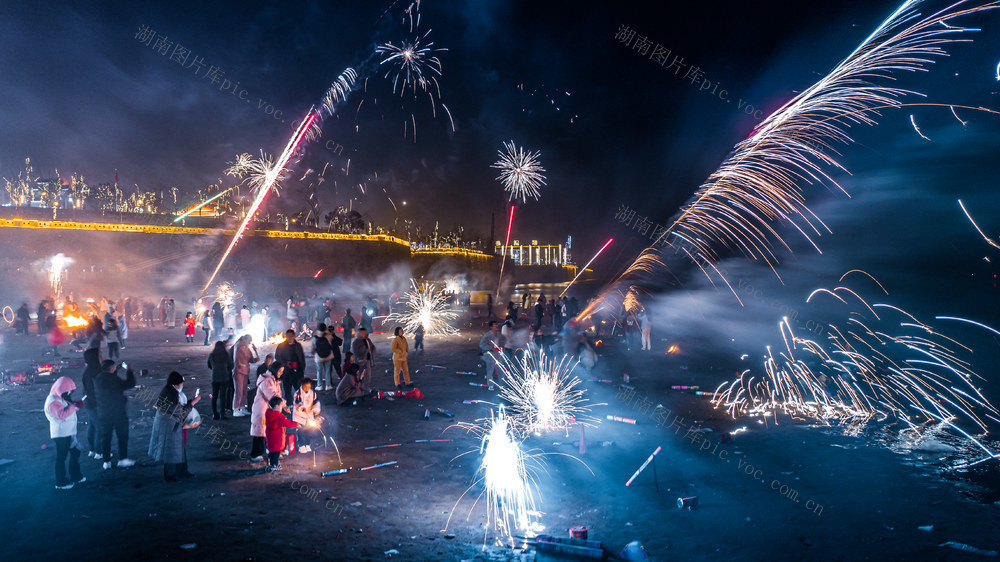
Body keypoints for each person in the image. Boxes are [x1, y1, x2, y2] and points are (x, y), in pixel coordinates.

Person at [148, 371, 200, 481]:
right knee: (171, 450)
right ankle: (170, 475)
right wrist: (193, 403)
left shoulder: (170, 391)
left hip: (174, 426)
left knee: (179, 448)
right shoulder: (170, 395)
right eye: (180, 384)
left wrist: (190, 402)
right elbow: (180, 412)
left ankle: (182, 471)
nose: (182, 386)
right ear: (175, 384)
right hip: (169, 427)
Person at [94, 360, 136, 469]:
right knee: (122, 436)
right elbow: (129, 384)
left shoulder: (97, 378)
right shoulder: (113, 379)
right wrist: (130, 371)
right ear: (111, 368)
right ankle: (122, 459)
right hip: (117, 412)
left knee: (105, 437)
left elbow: (110, 382)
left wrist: (115, 372)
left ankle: (106, 461)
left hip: (103, 412)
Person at [45, 376, 85, 489]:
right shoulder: (53, 401)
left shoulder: (59, 396)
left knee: (75, 453)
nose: (69, 393)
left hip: (68, 432)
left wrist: (75, 406)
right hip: (61, 434)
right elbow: (61, 415)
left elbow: (67, 409)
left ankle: (76, 476)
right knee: (61, 458)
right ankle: (60, 482)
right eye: (67, 391)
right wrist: (74, 407)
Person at [250, 361, 285, 461]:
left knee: (272, 432)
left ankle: (273, 451)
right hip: (262, 410)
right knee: (259, 433)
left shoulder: (274, 380)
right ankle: (255, 454)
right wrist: (283, 402)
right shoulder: (266, 381)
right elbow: (272, 396)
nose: (281, 373)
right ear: (275, 370)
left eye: (282, 371)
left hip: (271, 411)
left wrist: (283, 405)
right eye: (280, 371)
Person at [80, 347, 103, 459]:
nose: (101, 357)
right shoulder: (94, 371)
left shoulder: (89, 370)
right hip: (94, 403)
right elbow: (95, 389)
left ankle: (92, 450)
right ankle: (99, 452)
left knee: (92, 425)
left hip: (89, 402)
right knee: (100, 427)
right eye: (99, 355)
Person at [265, 396, 298, 471]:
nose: (282, 407)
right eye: (281, 405)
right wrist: (297, 424)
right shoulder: (279, 416)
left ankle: (270, 463)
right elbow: (287, 423)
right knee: (276, 453)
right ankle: (274, 466)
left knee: (271, 452)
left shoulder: (268, 413)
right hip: (277, 438)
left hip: (270, 437)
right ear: (277, 406)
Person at [292, 378, 321, 453]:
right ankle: (301, 445)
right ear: (302, 385)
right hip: (299, 416)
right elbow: (296, 404)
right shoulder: (297, 394)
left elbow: (316, 402)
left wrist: (315, 410)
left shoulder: (313, 393)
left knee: (309, 431)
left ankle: (308, 444)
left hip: (309, 416)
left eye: (309, 386)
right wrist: (302, 408)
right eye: (306, 387)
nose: (307, 388)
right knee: (301, 432)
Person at [275, 329, 306, 401]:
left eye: (291, 336)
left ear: (294, 336)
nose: (290, 338)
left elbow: (302, 357)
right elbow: (277, 357)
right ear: (286, 336)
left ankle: (299, 403)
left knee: (299, 388)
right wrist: (285, 364)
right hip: (286, 372)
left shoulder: (298, 345)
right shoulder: (281, 346)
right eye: (288, 336)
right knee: (287, 389)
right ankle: (289, 404)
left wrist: (302, 367)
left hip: (297, 371)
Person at [208, 340, 235, 420]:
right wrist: (226, 370)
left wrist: (214, 368)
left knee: (214, 396)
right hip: (224, 377)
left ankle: (215, 414)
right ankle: (222, 415)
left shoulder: (212, 355)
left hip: (215, 378)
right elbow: (231, 365)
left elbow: (209, 365)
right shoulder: (226, 355)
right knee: (223, 396)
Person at [233, 335, 258, 417]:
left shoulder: (246, 348)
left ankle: (242, 407)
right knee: (239, 391)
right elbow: (237, 359)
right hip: (239, 371)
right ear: (244, 339)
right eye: (249, 340)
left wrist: (255, 351)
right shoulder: (238, 346)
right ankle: (235, 409)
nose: (250, 342)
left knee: (244, 391)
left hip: (245, 371)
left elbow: (253, 360)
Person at [312, 323, 336, 391]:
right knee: (327, 371)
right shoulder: (329, 336)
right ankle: (328, 385)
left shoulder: (315, 337)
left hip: (319, 357)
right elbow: (332, 342)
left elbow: (312, 348)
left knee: (319, 371)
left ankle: (319, 386)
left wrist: (315, 354)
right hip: (328, 356)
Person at [351, 327, 376, 393]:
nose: (364, 334)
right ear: (359, 333)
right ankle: (359, 389)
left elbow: (373, 347)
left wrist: (371, 352)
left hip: (367, 360)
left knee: (368, 376)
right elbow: (355, 353)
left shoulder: (367, 340)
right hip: (360, 362)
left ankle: (365, 388)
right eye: (362, 333)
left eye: (364, 333)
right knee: (360, 376)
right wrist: (365, 350)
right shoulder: (356, 342)